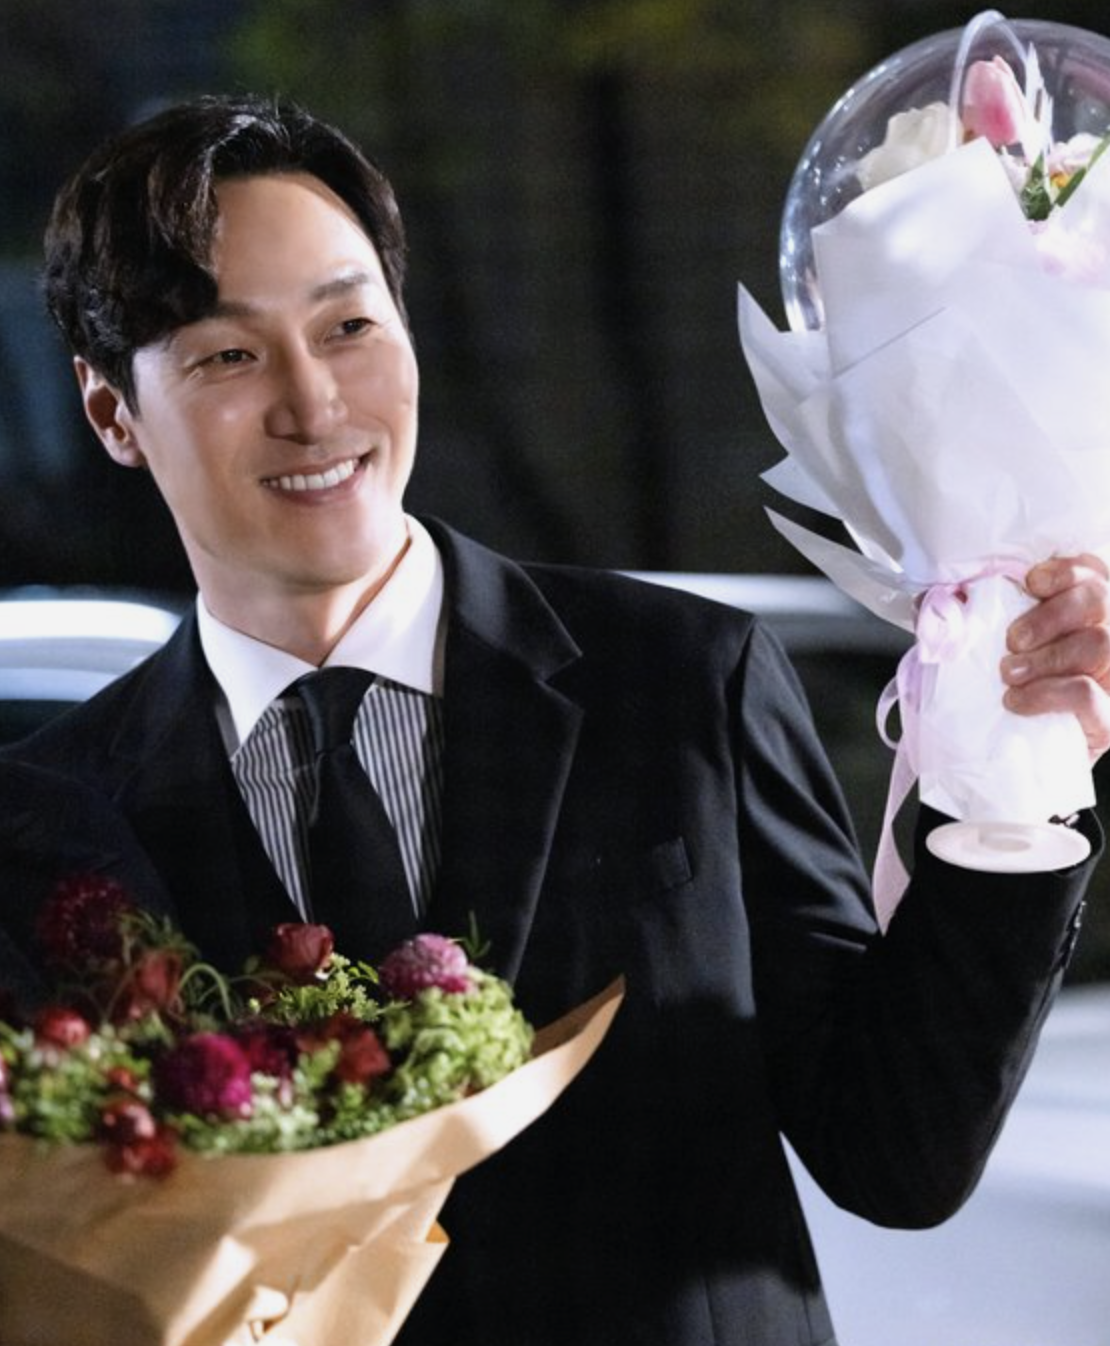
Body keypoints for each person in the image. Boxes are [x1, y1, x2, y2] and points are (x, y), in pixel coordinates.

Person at [2, 94, 1108, 1346]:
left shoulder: (683, 681)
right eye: (227, 356)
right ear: (112, 411)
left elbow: (895, 1153)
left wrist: (1017, 779)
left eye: (349, 326)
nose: (314, 404)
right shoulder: (50, 820)